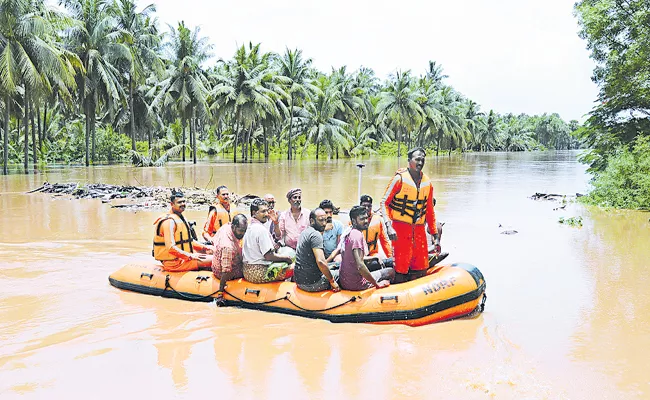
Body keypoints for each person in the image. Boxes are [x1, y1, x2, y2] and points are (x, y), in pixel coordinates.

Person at [380, 147, 439, 283]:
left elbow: (429, 211)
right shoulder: (399, 179)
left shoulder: (427, 183)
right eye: (417, 159)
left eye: (422, 159)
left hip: (419, 230)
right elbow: (384, 203)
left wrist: (435, 235)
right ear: (409, 161)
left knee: (421, 268)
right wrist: (389, 227)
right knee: (401, 270)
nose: (420, 162)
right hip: (400, 229)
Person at [153, 189, 213, 272]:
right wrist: (191, 256)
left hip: (184, 258)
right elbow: (170, 248)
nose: (183, 204)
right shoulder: (169, 222)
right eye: (179, 202)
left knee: (214, 251)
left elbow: (189, 241)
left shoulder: (181, 218)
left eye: (184, 202)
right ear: (172, 204)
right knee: (216, 260)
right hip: (175, 263)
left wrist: (205, 248)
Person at [339, 206, 395, 291]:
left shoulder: (349, 232)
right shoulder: (357, 236)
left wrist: (374, 257)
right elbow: (360, 266)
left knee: (382, 263)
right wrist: (376, 284)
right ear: (354, 221)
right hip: (356, 284)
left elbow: (355, 258)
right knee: (390, 271)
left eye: (366, 218)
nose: (366, 221)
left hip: (345, 280)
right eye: (362, 219)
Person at [242, 199, 295, 283]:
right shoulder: (261, 230)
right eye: (263, 211)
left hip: (247, 270)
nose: (266, 214)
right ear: (254, 213)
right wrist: (287, 259)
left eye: (267, 211)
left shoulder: (249, 226)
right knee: (295, 267)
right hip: (259, 272)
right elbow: (268, 256)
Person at [294, 208, 340, 292]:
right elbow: (321, 262)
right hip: (312, 284)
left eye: (325, 220)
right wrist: (332, 281)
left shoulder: (305, 232)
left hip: (299, 281)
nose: (324, 223)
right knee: (342, 273)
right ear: (312, 221)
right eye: (321, 220)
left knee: (336, 264)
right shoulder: (316, 235)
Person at [212, 214, 248, 295]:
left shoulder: (226, 226)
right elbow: (226, 271)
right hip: (222, 272)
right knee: (249, 270)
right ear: (234, 227)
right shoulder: (228, 247)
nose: (243, 234)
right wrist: (220, 292)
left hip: (217, 262)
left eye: (245, 231)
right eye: (241, 231)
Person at [359, 194, 393, 258]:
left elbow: (385, 242)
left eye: (369, 206)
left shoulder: (378, 220)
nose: (366, 208)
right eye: (364, 206)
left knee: (378, 260)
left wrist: (390, 257)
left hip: (373, 254)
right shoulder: (354, 219)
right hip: (359, 253)